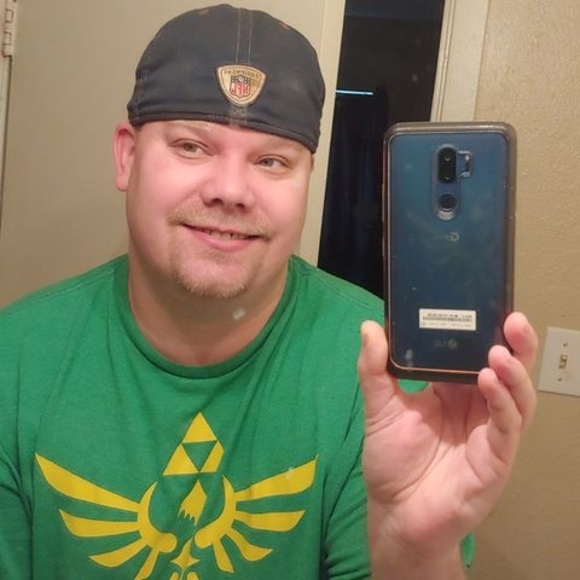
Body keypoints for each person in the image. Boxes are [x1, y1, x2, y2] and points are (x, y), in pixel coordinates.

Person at [0, 4, 537, 579]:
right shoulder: (16, 359)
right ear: (127, 157)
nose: (231, 189)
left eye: (272, 160)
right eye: (191, 147)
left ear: (308, 180)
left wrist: (415, 548)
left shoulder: (386, 373)